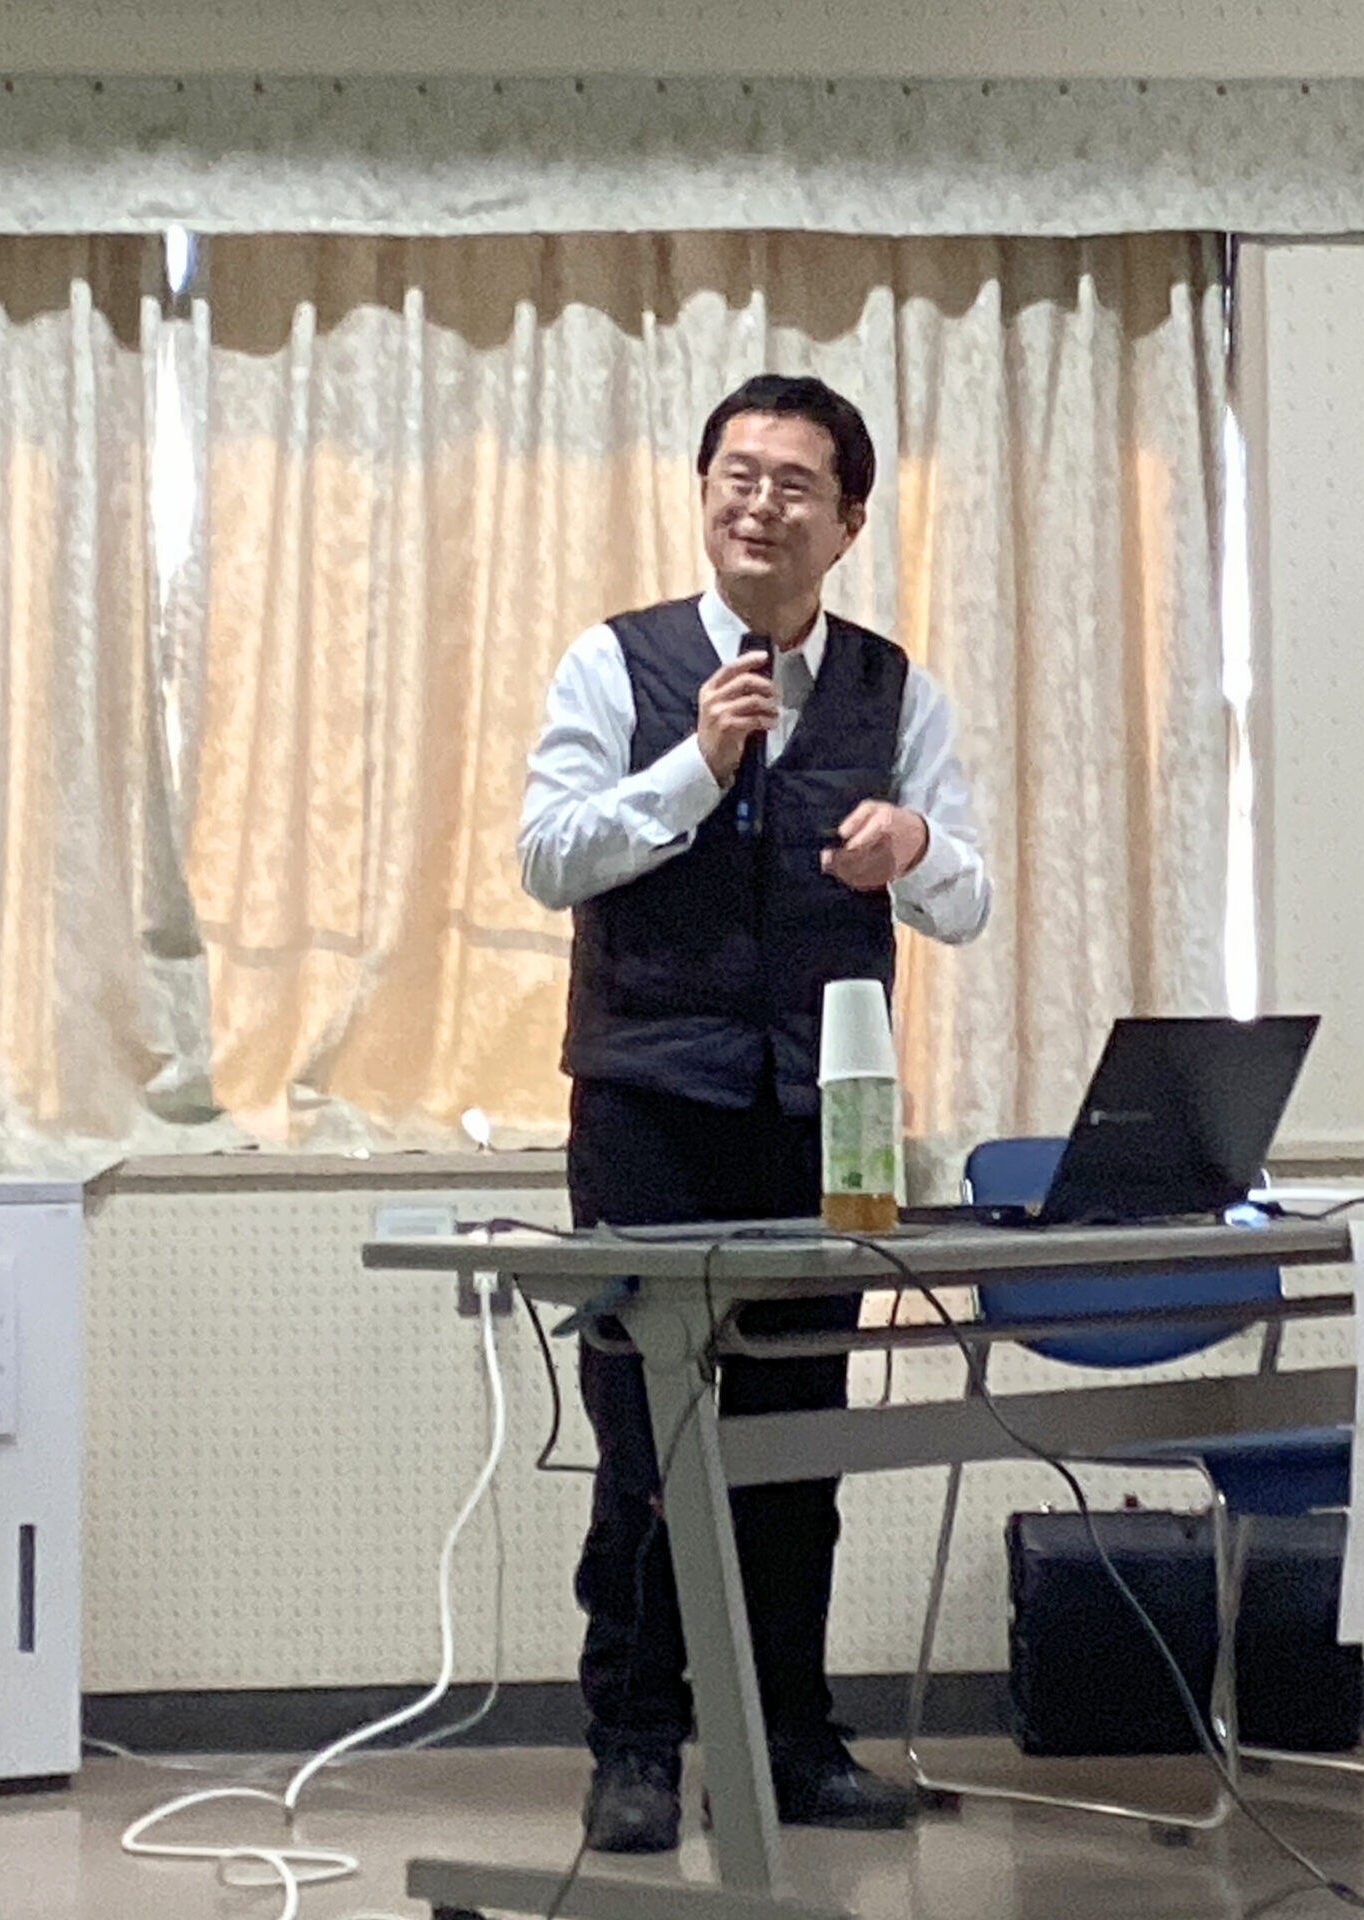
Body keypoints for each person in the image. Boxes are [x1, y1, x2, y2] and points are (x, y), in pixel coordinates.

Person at [518, 374, 991, 1854]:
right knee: (648, 1447)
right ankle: (636, 1747)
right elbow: (548, 856)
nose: (758, 505)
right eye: (737, 475)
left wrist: (916, 844)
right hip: (650, 1107)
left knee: (796, 1442)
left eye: (794, 484)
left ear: (847, 521)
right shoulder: (618, 663)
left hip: (821, 1119)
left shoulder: (897, 691)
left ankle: (789, 1742)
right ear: (706, 493)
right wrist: (695, 768)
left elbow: (966, 901)